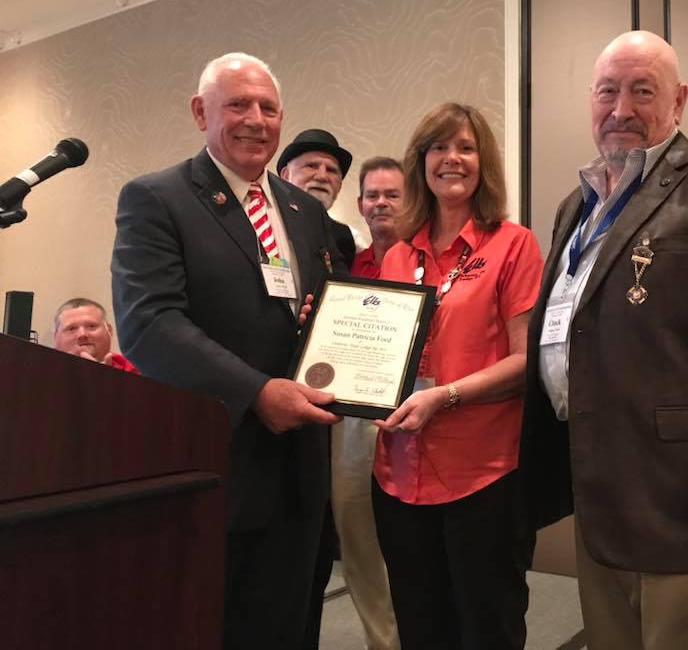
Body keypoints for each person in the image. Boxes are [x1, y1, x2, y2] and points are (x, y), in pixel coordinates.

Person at [520, 30, 688, 650]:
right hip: (596, 490)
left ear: (679, 100)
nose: (621, 110)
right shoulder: (577, 205)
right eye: (607, 92)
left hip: (681, 502)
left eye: (642, 91)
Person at [111, 52, 345, 650]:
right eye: (237, 104)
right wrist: (255, 391)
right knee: (214, 624)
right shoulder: (156, 199)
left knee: (292, 622)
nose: (255, 120)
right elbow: (148, 323)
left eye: (268, 107)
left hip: (300, 460)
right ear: (200, 112)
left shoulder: (305, 211)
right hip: (215, 457)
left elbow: (319, 313)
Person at [371, 103, 544, 650]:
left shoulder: (513, 245)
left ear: (482, 161)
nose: (452, 159)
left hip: (483, 473)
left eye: (465, 148)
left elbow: (525, 362)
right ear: (420, 162)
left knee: (486, 628)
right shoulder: (398, 253)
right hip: (398, 473)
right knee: (421, 629)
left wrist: (443, 397)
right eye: (438, 148)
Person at [323, 156, 406, 650]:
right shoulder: (348, 263)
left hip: (417, 406)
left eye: (391, 194)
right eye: (372, 196)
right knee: (355, 528)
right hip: (354, 414)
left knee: (412, 538)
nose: (380, 203)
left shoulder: (429, 255)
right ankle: (383, 641)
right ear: (359, 204)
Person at [278, 128, 358, 267]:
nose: (322, 176)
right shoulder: (265, 220)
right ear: (285, 176)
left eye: (331, 170)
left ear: (339, 186)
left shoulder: (346, 238)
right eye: (311, 166)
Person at [52, 297, 139, 373]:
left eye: (91, 326)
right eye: (71, 328)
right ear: (55, 337)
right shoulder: (41, 373)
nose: (82, 334)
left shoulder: (139, 370)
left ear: (109, 330)